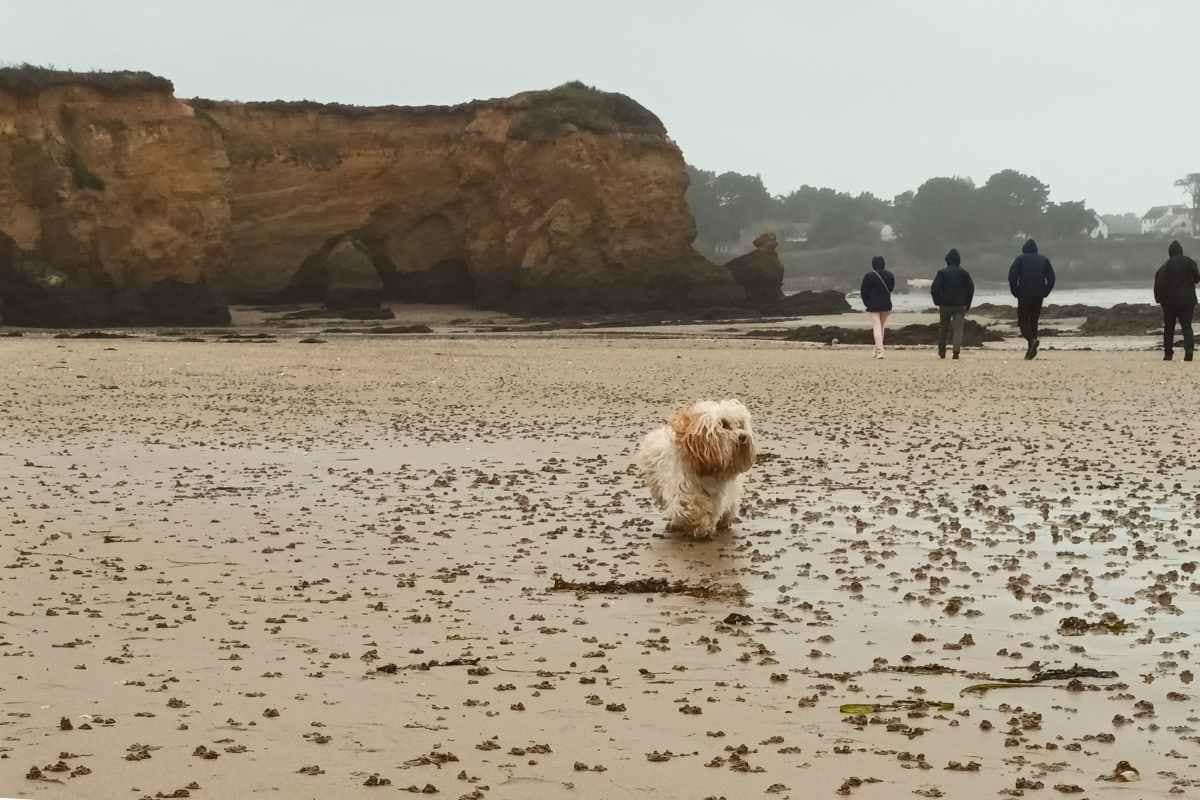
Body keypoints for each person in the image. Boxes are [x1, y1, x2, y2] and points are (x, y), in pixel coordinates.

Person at [1008, 238, 1055, 359]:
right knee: (1034, 320)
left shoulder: (1020, 259)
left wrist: (1015, 292)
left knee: (1023, 321)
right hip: (1038, 295)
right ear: (1036, 250)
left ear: (1024, 249)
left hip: (1024, 294)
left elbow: (1012, 277)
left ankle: (1031, 341)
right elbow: (1052, 278)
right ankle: (1031, 349)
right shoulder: (1044, 260)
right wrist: (1045, 291)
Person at [1153, 240, 1200, 361]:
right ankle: (1189, 352)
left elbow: (1158, 283)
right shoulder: (1190, 262)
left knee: (1169, 328)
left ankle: (1168, 354)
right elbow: (1197, 278)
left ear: (1170, 253)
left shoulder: (1164, 267)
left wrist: (1158, 299)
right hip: (1187, 301)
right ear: (1181, 251)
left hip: (1169, 302)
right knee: (1187, 327)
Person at [931, 248, 975, 359]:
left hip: (945, 305)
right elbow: (971, 289)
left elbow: (934, 289)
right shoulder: (964, 273)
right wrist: (968, 304)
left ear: (947, 260)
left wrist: (937, 301)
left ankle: (942, 351)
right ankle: (956, 352)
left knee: (943, 328)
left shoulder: (941, 273)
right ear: (959, 260)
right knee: (958, 330)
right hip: (960, 305)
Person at [860, 255, 895, 359]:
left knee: (877, 327)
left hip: (873, 305)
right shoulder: (890, 275)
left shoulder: (868, 276)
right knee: (881, 327)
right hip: (886, 304)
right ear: (884, 263)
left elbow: (863, 292)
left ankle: (880, 351)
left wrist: (867, 303)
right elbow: (891, 288)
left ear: (873, 264)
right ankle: (876, 350)